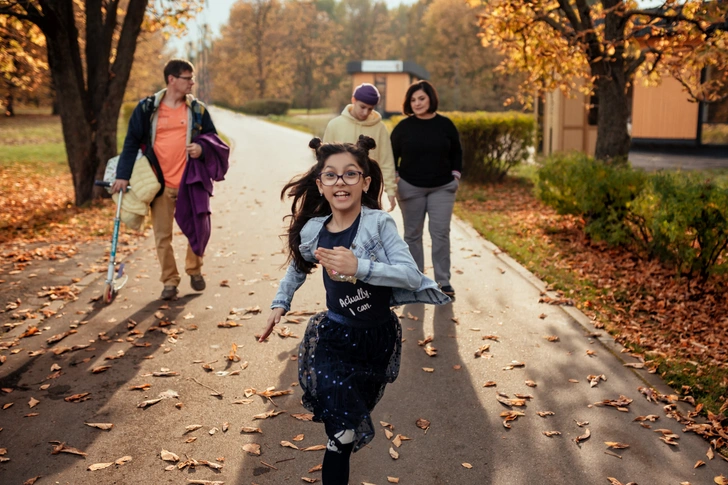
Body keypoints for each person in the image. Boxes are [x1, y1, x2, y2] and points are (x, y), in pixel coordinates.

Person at [259, 136, 449, 485]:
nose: (340, 182)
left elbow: (410, 274)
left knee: (344, 432)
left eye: (350, 174)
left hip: (376, 340)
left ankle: (339, 447)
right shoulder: (314, 231)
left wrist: (360, 266)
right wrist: (279, 303)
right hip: (333, 336)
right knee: (344, 432)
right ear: (320, 184)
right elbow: (298, 267)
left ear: (364, 181)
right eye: (330, 176)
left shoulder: (379, 224)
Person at [112, 59, 219, 301]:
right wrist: (122, 175)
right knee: (162, 236)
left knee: (198, 228)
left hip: (189, 183)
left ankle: (194, 268)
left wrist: (201, 149)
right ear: (172, 79)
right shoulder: (147, 109)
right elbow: (131, 142)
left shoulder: (197, 109)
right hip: (159, 184)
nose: (192, 82)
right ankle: (170, 281)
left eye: (192, 78)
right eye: (187, 78)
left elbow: (213, 138)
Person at [391, 80, 462, 299]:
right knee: (412, 235)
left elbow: (457, 152)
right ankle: (415, 280)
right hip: (410, 188)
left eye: (421, 98)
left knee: (440, 234)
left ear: (430, 98)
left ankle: (443, 281)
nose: (417, 103)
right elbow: (390, 155)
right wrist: (395, 177)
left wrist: (455, 176)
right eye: (412, 100)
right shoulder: (403, 127)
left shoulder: (445, 125)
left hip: (442, 188)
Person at [323, 83, 397, 212]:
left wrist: (390, 191)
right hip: (340, 187)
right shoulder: (335, 125)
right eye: (362, 107)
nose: (365, 112)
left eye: (370, 109)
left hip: (370, 189)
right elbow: (324, 161)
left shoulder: (380, 128)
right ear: (353, 100)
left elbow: (386, 161)